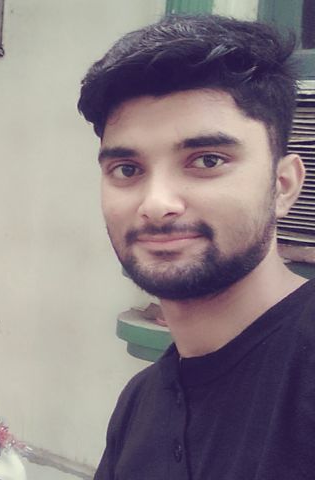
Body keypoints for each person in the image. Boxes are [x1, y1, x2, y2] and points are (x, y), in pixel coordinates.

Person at [78, 14, 315, 480]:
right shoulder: (139, 405)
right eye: (127, 169)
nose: (156, 204)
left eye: (207, 160)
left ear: (283, 185)